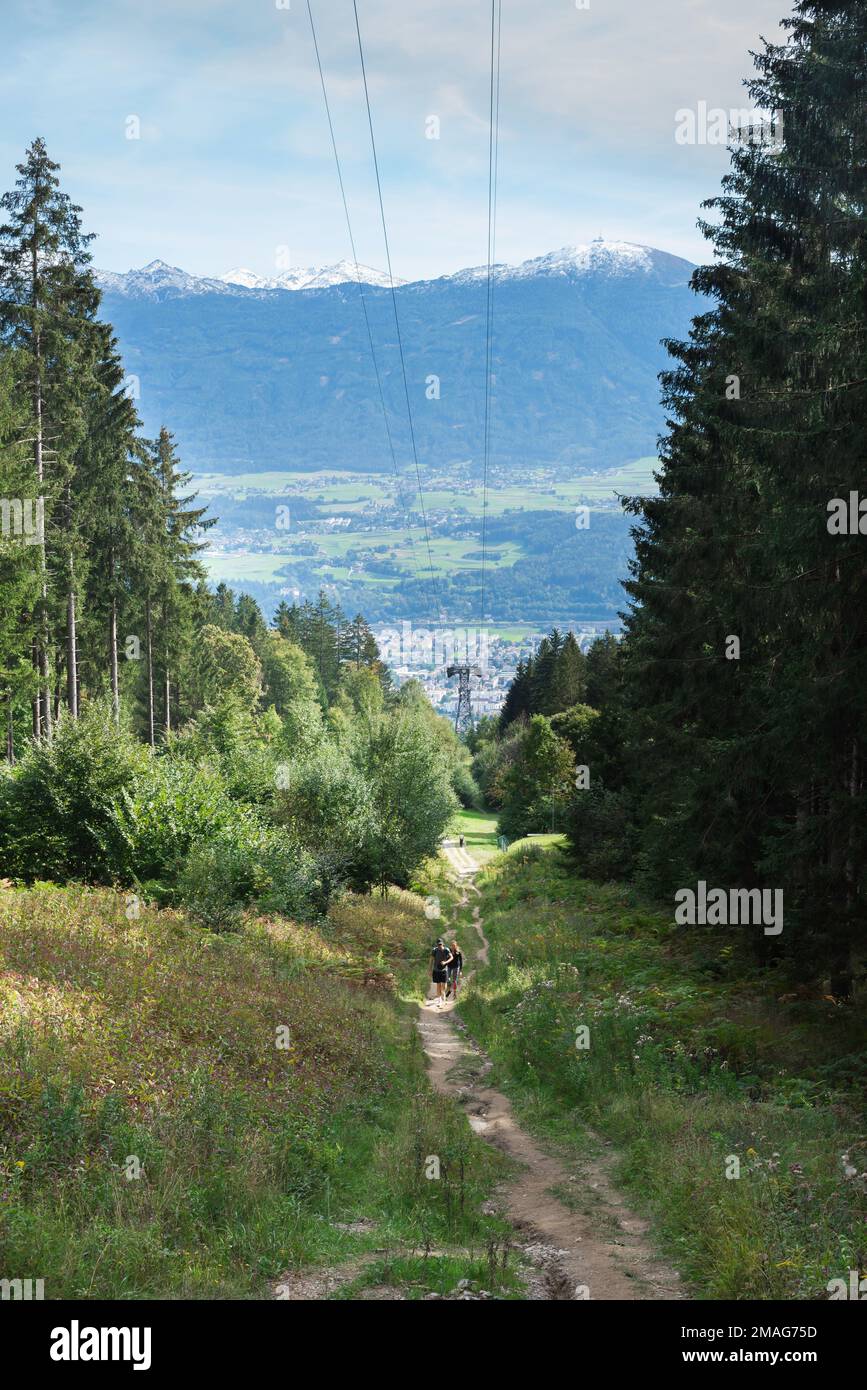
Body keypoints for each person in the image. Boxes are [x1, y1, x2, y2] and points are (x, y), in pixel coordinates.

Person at [430, 937, 453, 1005]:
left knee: (444, 985)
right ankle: (439, 999)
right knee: (438, 985)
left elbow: (451, 957)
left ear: (443, 944)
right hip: (436, 970)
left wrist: (445, 962)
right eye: (438, 945)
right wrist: (429, 969)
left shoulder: (446, 950)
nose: (439, 946)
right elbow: (431, 960)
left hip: (444, 970)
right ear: (437, 945)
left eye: (440, 944)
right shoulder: (434, 950)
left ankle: (443, 994)